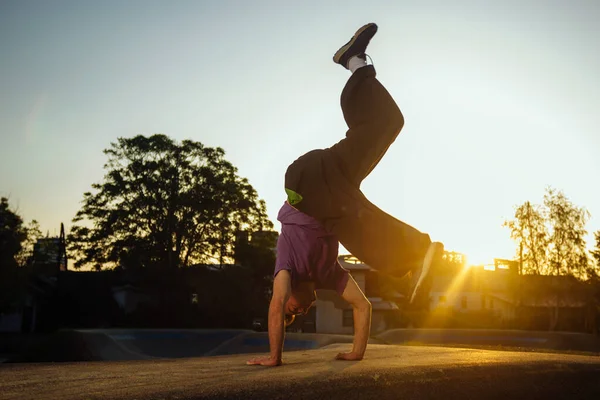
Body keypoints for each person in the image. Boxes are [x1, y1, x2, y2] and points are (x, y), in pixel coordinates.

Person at [247, 23, 443, 367]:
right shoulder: (329, 276)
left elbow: (275, 307)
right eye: (303, 312)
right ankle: (356, 62)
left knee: (346, 216)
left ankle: (417, 252)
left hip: (304, 184)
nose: (301, 307)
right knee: (387, 124)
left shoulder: (286, 268)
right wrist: (357, 352)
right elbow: (362, 307)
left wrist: (274, 357)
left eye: (295, 308)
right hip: (333, 176)